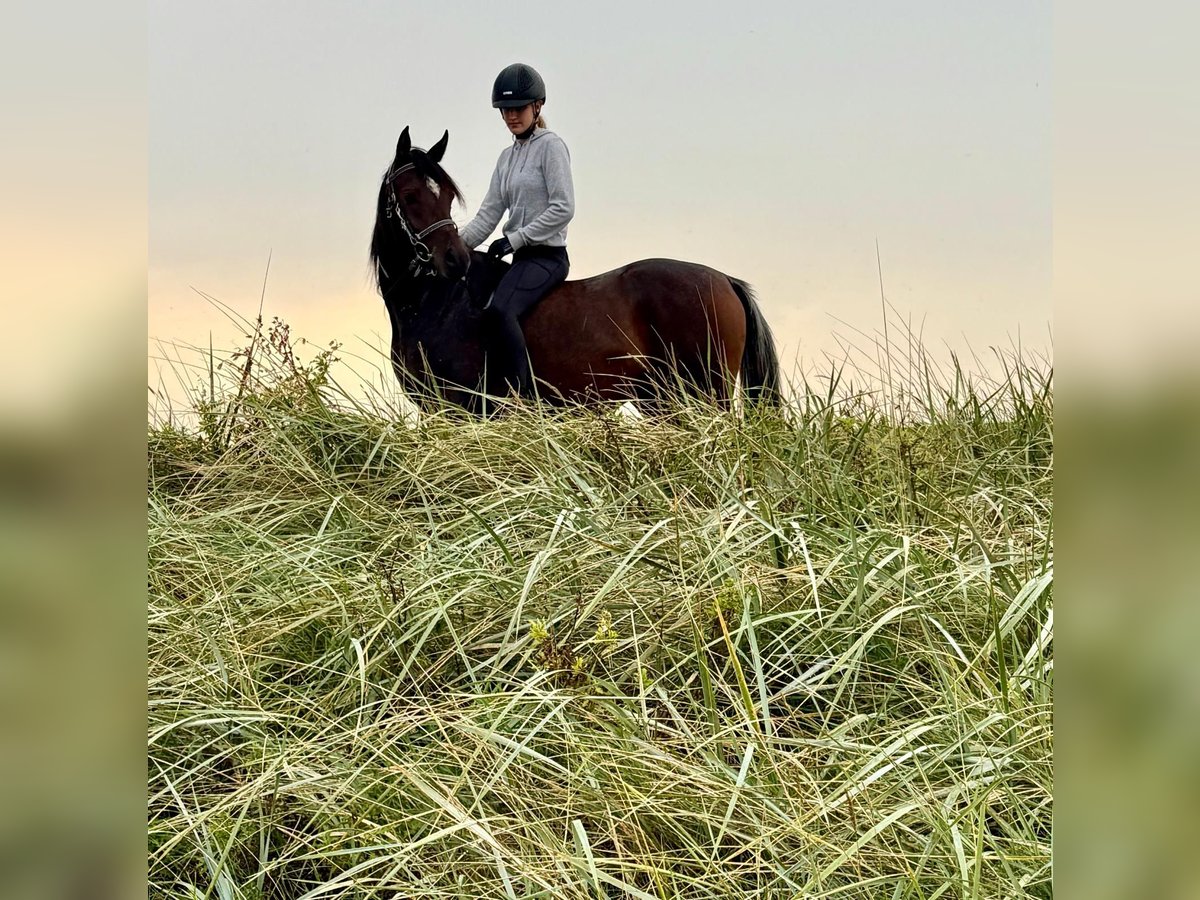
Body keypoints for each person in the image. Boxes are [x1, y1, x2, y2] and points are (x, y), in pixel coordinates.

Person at [459, 62, 575, 398]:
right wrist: (454, 246)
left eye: (519, 108)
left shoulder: (551, 147)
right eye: (505, 110)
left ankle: (523, 397)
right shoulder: (506, 158)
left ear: (537, 106)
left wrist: (516, 238)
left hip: (547, 256)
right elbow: (489, 213)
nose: (512, 116)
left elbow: (563, 208)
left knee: (501, 310)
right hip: (520, 257)